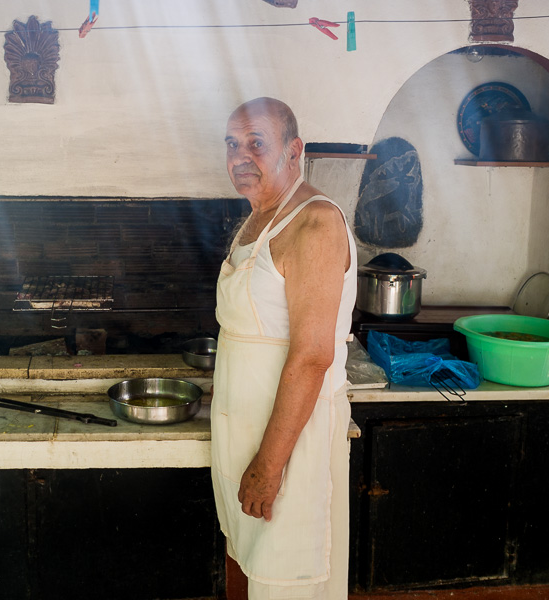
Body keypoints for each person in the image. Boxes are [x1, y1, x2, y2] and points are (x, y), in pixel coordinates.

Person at [211, 97, 357, 600]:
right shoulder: (259, 217)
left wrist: (269, 467)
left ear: (294, 151)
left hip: (292, 444)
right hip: (249, 436)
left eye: (256, 143)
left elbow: (313, 357)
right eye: (232, 144)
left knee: (291, 584)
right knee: (265, 578)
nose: (240, 156)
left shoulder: (316, 223)